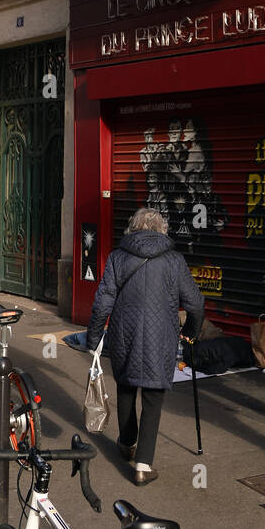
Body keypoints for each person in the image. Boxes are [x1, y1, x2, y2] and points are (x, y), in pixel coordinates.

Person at [86, 207, 204, 487]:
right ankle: (143, 465)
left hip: (123, 335)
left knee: (126, 387)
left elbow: (103, 301)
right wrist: (190, 333)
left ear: (133, 227)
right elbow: (196, 303)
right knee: (153, 398)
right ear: (162, 229)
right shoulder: (174, 260)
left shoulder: (117, 256)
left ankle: (127, 443)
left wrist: (93, 340)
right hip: (160, 337)